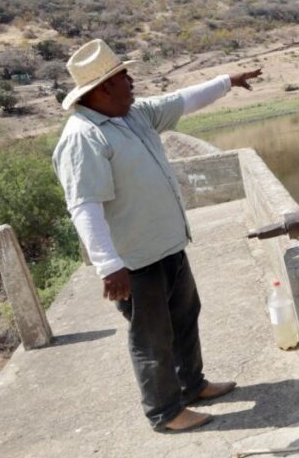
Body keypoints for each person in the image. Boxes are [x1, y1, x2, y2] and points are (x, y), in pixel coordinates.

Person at [52, 39, 262, 432]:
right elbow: (84, 205)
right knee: (152, 337)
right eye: (123, 76)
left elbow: (180, 100)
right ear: (103, 89)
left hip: (167, 245)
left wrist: (226, 81)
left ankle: (191, 385)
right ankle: (164, 413)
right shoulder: (83, 138)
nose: (132, 81)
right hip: (134, 260)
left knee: (184, 316)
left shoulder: (134, 115)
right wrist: (108, 265)